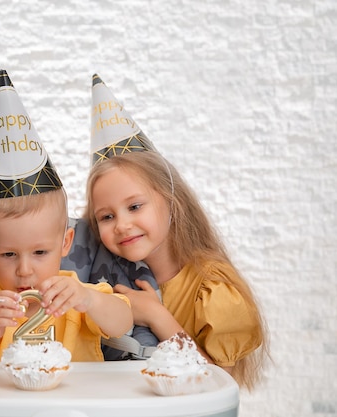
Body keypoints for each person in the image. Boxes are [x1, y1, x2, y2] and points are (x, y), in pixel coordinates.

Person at [84, 74, 268, 389]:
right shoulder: (106, 275)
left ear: (172, 202)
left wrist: (157, 316)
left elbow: (219, 386)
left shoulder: (211, 287)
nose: (122, 224)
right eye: (106, 216)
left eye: (135, 206)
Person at [0, 70, 134, 363]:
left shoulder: (74, 290)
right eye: (9, 254)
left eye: (40, 252)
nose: (25, 270)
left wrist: (89, 300)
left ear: (66, 243)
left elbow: (123, 322)